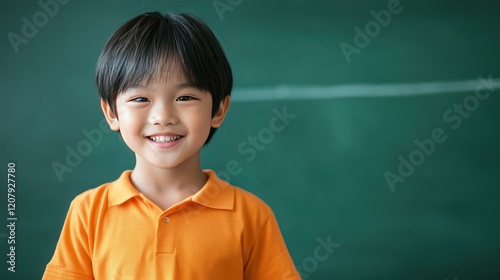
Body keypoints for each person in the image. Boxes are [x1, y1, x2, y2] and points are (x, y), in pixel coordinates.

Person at [43, 11, 301, 280]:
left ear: (218, 109)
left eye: (185, 97)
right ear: (111, 113)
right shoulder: (88, 212)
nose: (163, 116)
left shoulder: (251, 215)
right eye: (141, 98)